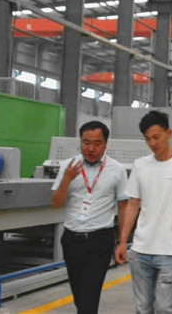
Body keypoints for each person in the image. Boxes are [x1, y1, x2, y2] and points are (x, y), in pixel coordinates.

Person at [114, 111, 172, 314]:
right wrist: (122, 242)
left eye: (156, 137)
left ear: (169, 133)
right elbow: (133, 205)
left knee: (164, 308)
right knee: (142, 308)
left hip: (170, 252)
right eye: (147, 139)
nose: (152, 143)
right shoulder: (140, 165)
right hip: (140, 251)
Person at [51, 121, 129, 314]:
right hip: (72, 240)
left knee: (89, 296)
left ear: (105, 144)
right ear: (80, 142)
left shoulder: (117, 169)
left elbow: (123, 208)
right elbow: (56, 203)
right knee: (79, 295)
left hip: (99, 240)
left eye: (97, 143)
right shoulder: (68, 166)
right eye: (86, 143)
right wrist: (67, 179)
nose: (91, 148)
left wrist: (122, 242)